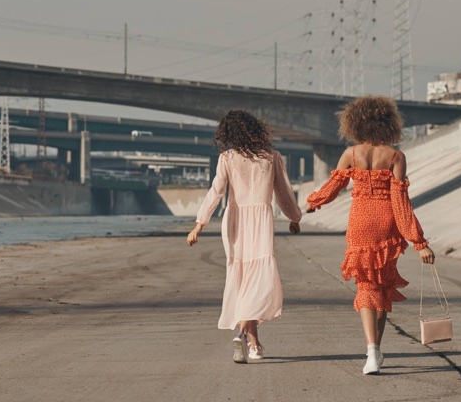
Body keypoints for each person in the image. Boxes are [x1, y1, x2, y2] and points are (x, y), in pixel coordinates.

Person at [306, 95, 435, 375]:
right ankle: (376, 350)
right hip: (386, 224)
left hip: (360, 223)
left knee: (366, 286)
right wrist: (419, 242)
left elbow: (332, 186)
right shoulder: (395, 157)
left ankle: (372, 351)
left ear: (355, 123)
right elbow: (401, 203)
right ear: (389, 123)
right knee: (382, 287)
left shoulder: (351, 154)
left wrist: (313, 202)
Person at [186, 109, 302, 364]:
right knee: (255, 281)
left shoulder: (227, 157)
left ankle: (254, 344)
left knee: (243, 281)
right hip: (260, 222)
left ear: (228, 133)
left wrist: (199, 224)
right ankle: (243, 335)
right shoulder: (272, 156)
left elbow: (215, 192)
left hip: (235, 222)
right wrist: (295, 217)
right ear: (255, 128)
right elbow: (283, 192)